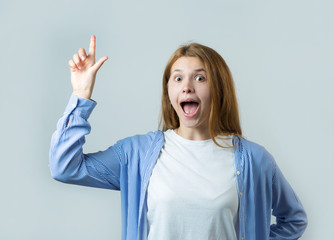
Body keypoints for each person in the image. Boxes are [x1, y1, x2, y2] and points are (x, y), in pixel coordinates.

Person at [49, 34, 308, 240]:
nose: (187, 86)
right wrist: (81, 96)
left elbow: (294, 219)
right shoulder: (135, 154)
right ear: (169, 91)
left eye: (200, 77)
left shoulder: (255, 160)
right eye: (178, 78)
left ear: (218, 88)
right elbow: (65, 168)